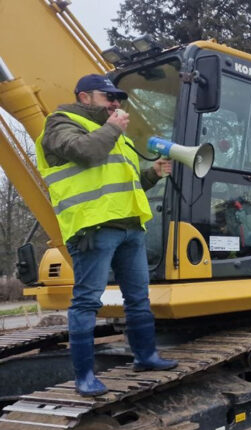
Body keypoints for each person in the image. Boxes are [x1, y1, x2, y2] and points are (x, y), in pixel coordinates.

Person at [35, 74, 177, 397]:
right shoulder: (59, 124)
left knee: (139, 298)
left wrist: (152, 175)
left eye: (118, 99)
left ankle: (146, 356)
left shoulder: (115, 134)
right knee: (87, 301)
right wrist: (113, 128)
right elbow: (85, 153)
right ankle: (84, 377)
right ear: (84, 97)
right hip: (93, 228)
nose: (115, 104)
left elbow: (125, 183)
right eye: (108, 97)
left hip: (130, 228)